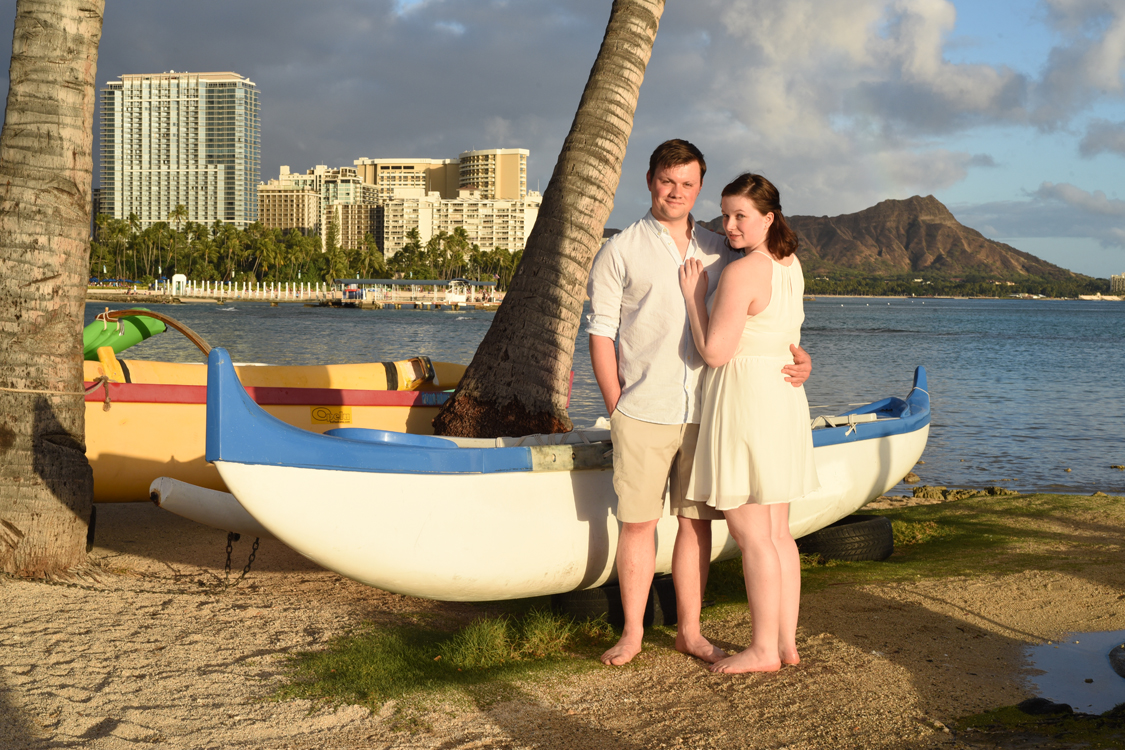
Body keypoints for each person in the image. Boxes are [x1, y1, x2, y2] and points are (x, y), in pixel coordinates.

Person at [586, 142, 812, 667]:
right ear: (649, 181)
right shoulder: (620, 250)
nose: (677, 192)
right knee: (638, 524)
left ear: (699, 188)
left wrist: (801, 361)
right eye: (668, 181)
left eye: (688, 184)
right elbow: (600, 334)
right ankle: (633, 634)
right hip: (643, 408)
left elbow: (766, 313)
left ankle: (690, 631)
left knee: (696, 525)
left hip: (711, 411)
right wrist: (615, 405)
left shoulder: (722, 244)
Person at [678, 173, 820, 674]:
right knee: (778, 532)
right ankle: (785, 643)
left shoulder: (743, 272)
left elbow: (715, 353)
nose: (730, 225)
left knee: (752, 533)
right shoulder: (791, 265)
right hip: (781, 397)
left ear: (769, 217)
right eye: (725, 215)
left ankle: (763, 650)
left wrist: (695, 297)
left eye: (741, 215)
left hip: (744, 400)